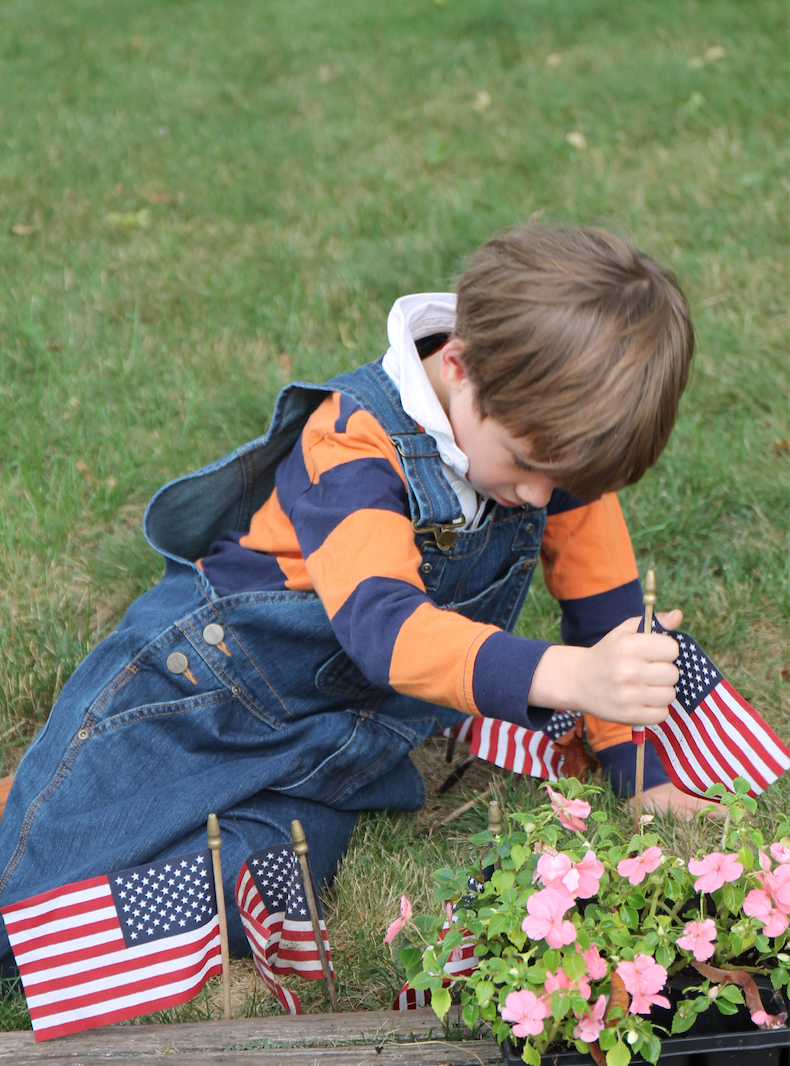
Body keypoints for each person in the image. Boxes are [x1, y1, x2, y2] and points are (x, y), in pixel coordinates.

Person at [0, 224, 699, 967]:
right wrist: (569, 675)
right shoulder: (351, 443)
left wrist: (638, 773)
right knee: (30, 917)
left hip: (331, 751)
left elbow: (605, 616)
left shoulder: (554, 445)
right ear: (460, 367)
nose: (540, 497)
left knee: (267, 892)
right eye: (526, 465)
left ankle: (73, 813)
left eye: (567, 482)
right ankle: (57, 815)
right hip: (201, 699)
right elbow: (387, 631)